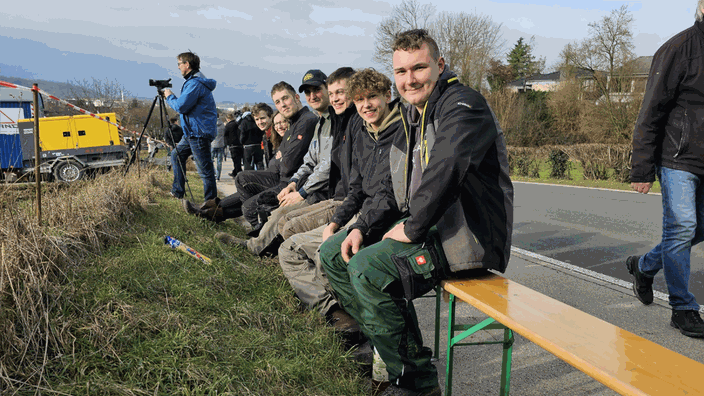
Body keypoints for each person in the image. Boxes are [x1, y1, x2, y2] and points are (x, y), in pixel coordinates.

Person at [320, 29, 513, 396]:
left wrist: (411, 228)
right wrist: (361, 226)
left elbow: (448, 167)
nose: (410, 79)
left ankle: (417, 383)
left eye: (419, 67)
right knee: (334, 253)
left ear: (439, 65)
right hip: (431, 226)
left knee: (368, 268)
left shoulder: (462, 104)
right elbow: (390, 190)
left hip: (467, 235)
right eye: (401, 71)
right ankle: (388, 347)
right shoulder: (414, 114)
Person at [627, 1, 704, 338]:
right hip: (678, 157)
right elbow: (651, 109)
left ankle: (643, 266)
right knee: (683, 226)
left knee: (695, 230)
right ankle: (683, 308)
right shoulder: (678, 48)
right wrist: (641, 168)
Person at [215, 69, 333, 255]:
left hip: (314, 189)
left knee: (255, 203)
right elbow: (309, 160)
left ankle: (259, 242)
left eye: (285, 99)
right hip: (294, 182)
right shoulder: (318, 121)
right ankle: (216, 213)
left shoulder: (311, 120)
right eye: (278, 102)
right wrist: (295, 183)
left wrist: (300, 190)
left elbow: (299, 163)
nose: (312, 96)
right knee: (243, 182)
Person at [182, 81, 317, 224]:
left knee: (247, 195)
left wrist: (281, 159)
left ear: (296, 97)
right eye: (278, 101)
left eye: (285, 98)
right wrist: (281, 158)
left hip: (289, 182)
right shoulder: (292, 124)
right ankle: (210, 211)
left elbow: (288, 164)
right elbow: (279, 162)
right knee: (243, 179)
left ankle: (251, 222)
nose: (282, 104)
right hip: (281, 177)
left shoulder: (306, 121)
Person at [163, 51, 218, 201]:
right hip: (191, 132)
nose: (178, 68)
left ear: (187, 65)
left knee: (205, 171)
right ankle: (177, 191)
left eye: (179, 64)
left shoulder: (195, 84)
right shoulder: (196, 81)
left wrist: (169, 96)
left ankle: (211, 205)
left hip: (198, 133)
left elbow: (181, 106)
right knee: (176, 155)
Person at [239, 106, 265, 170]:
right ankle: (261, 177)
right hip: (258, 145)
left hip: (248, 146)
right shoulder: (255, 120)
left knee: (248, 164)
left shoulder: (244, 122)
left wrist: (242, 142)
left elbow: (242, 134)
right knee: (259, 163)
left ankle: (249, 178)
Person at [251, 103, 275, 168]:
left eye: (262, 118)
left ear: (271, 117)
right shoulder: (265, 135)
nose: (260, 122)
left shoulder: (278, 134)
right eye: (257, 119)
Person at [224, 111, 243, 178]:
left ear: (228, 119)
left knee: (236, 161)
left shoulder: (228, 126)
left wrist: (226, 144)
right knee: (238, 160)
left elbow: (225, 135)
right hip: (240, 144)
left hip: (233, 145)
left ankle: (238, 174)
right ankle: (235, 172)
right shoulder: (238, 124)